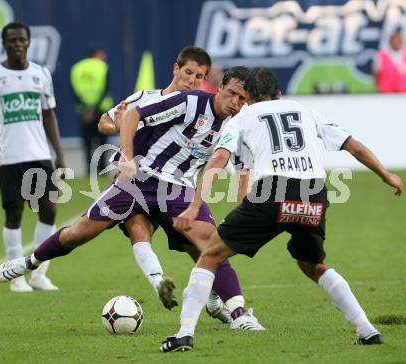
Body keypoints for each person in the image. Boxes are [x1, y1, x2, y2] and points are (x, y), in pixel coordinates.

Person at [0, 67, 263, 330]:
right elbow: (133, 115)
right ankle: (28, 263)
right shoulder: (189, 102)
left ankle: (239, 314)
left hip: (177, 188)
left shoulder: (237, 124)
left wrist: (244, 203)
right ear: (219, 88)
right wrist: (126, 155)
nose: (236, 103)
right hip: (139, 179)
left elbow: (241, 167)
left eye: (242, 99)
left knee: (210, 245)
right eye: (232, 94)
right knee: (78, 233)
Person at [160, 67, 403, 352]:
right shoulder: (305, 110)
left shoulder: (244, 116)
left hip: (272, 190)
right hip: (314, 192)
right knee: (313, 265)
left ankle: (185, 334)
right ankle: (367, 329)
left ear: (248, 97)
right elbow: (353, 146)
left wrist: (195, 205)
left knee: (210, 256)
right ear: (278, 93)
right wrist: (386, 175)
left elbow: (218, 161)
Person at [98, 46, 251, 323]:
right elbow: (105, 122)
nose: (192, 80)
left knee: (200, 245)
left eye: (199, 76)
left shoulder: (199, 109)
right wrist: (118, 126)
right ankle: (159, 282)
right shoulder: (146, 98)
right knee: (137, 228)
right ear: (175, 69)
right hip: (137, 178)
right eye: (188, 72)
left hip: (178, 187)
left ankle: (215, 299)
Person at [0, 22, 66, 292]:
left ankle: (38, 273)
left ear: (29, 42)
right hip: (8, 156)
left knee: (49, 208)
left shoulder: (41, 74)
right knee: (15, 213)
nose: (18, 44)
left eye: (22, 40)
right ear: (4, 43)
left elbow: (49, 114)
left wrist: (59, 154)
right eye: (12, 40)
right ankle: (15, 277)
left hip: (39, 153)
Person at [70, 49, 113, 174]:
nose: (104, 56)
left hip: (84, 112)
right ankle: (103, 168)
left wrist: (86, 109)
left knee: (87, 142)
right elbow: (106, 89)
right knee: (102, 141)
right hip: (101, 111)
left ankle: (89, 170)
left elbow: (74, 91)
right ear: (95, 55)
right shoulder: (103, 66)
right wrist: (95, 108)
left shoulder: (77, 68)